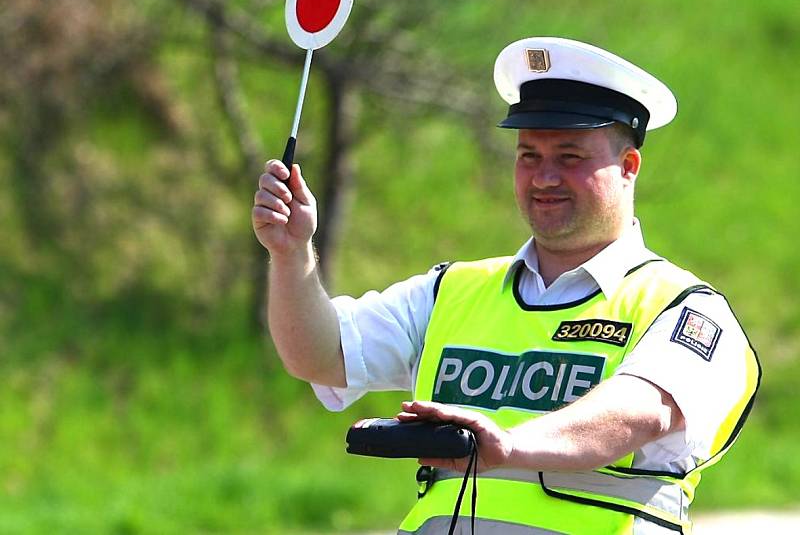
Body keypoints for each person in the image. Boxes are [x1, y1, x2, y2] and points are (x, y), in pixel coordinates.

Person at [252, 37, 761, 535]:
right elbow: (318, 356)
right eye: (528, 156)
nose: (544, 178)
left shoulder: (684, 308)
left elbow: (637, 413)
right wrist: (290, 252)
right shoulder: (452, 290)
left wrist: (508, 445)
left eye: (569, 157)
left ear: (628, 167)